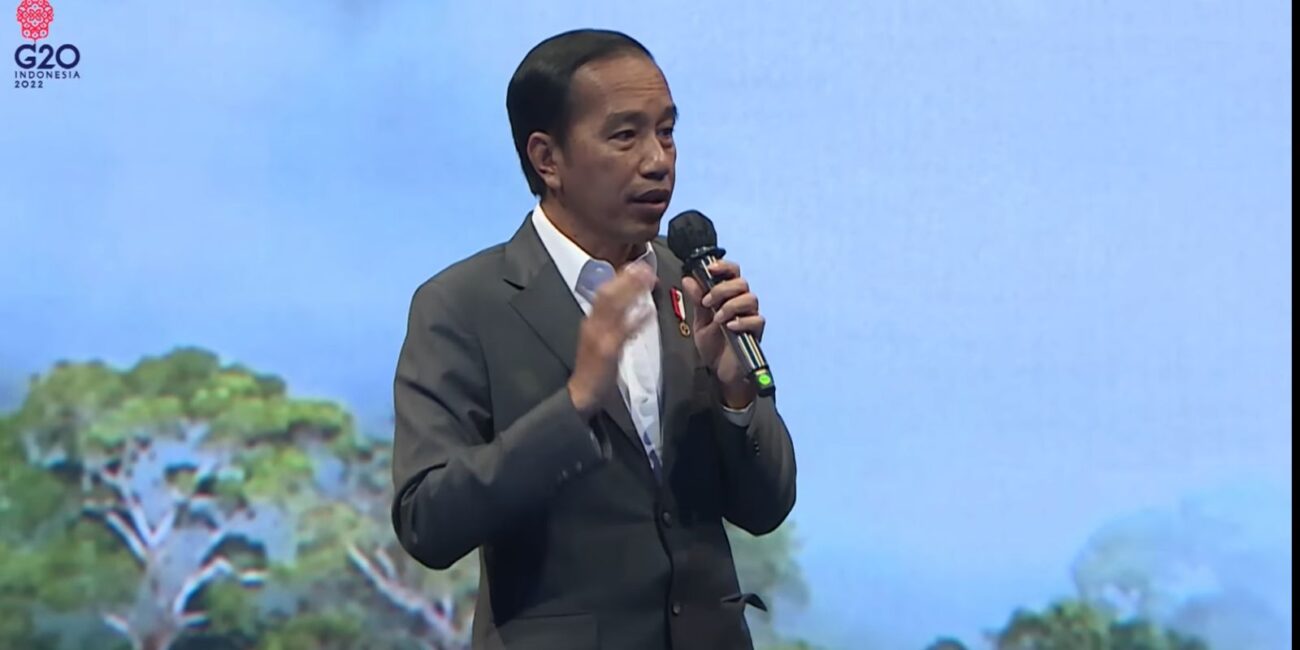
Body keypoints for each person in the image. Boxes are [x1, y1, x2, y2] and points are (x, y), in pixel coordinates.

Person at [390, 28, 797, 650]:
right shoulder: (462, 305)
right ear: (546, 159)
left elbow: (765, 508)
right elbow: (428, 522)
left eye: (667, 132)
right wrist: (575, 403)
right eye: (625, 136)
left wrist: (735, 396)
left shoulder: (692, 283)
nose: (658, 160)